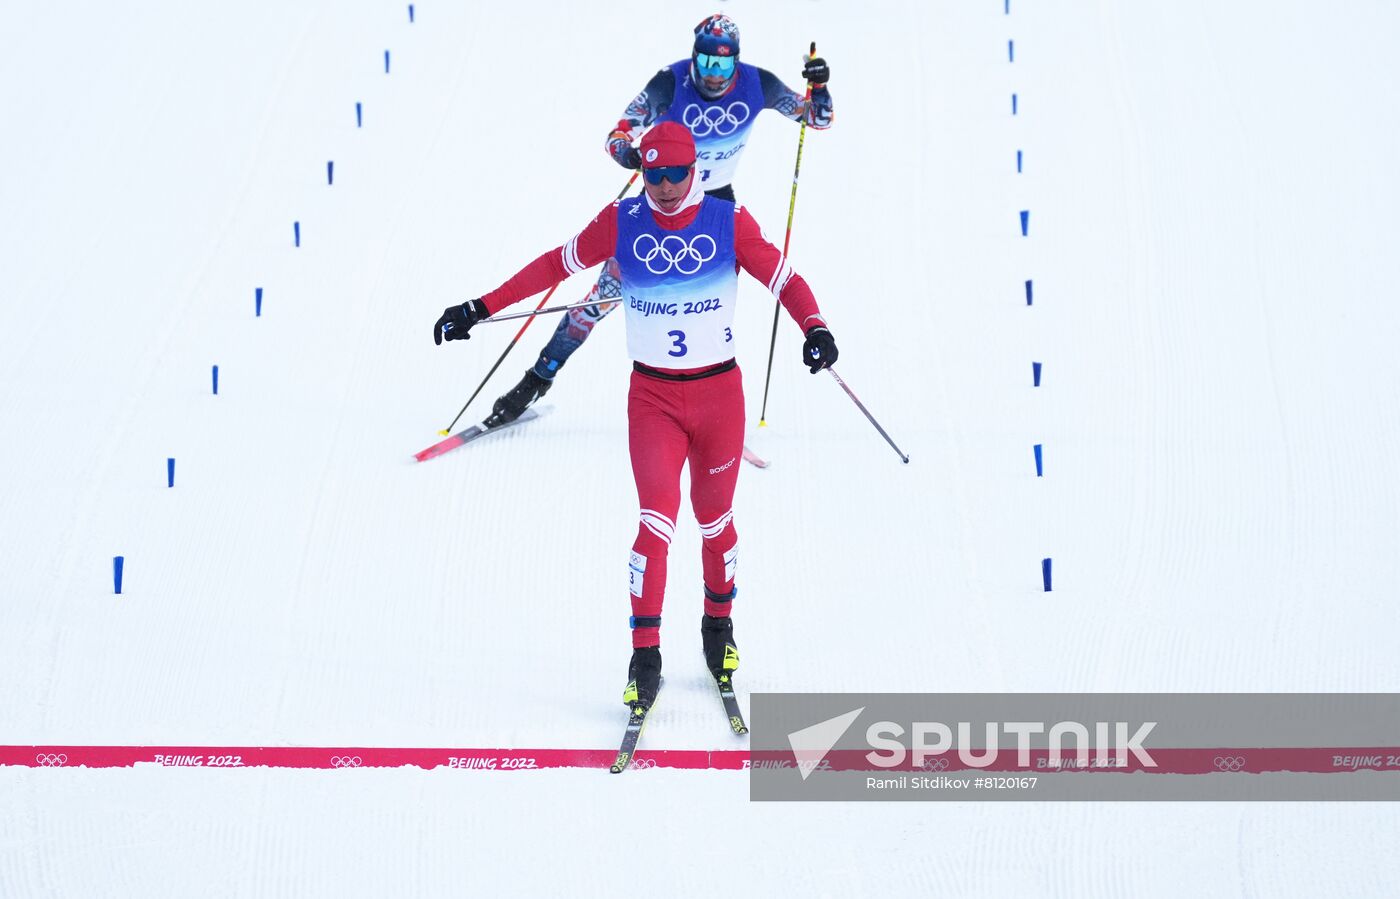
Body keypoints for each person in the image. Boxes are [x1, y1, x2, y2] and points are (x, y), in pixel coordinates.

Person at [433, 123, 839, 712]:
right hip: (652, 401)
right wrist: (479, 307)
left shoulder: (729, 221)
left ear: (694, 168)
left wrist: (816, 327)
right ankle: (644, 654)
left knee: (714, 522)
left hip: (718, 396)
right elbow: (553, 266)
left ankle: (717, 628)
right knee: (655, 523)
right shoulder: (622, 222)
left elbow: (783, 276)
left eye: (676, 173)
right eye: (654, 175)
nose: (666, 186)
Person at [483, 12, 833, 429]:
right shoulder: (670, 81)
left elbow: (817, 119)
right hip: (657, 202)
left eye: (723, 65)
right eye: (705, 62)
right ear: (693, 57)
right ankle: (537, 379)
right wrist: (631, 156)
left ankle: (712, 406)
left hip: (715, 209)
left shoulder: (759, 84)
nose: (713, 75)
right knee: (599, 300)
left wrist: (820, 86)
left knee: (706, 308)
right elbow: (618, 133)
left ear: (736, 62)